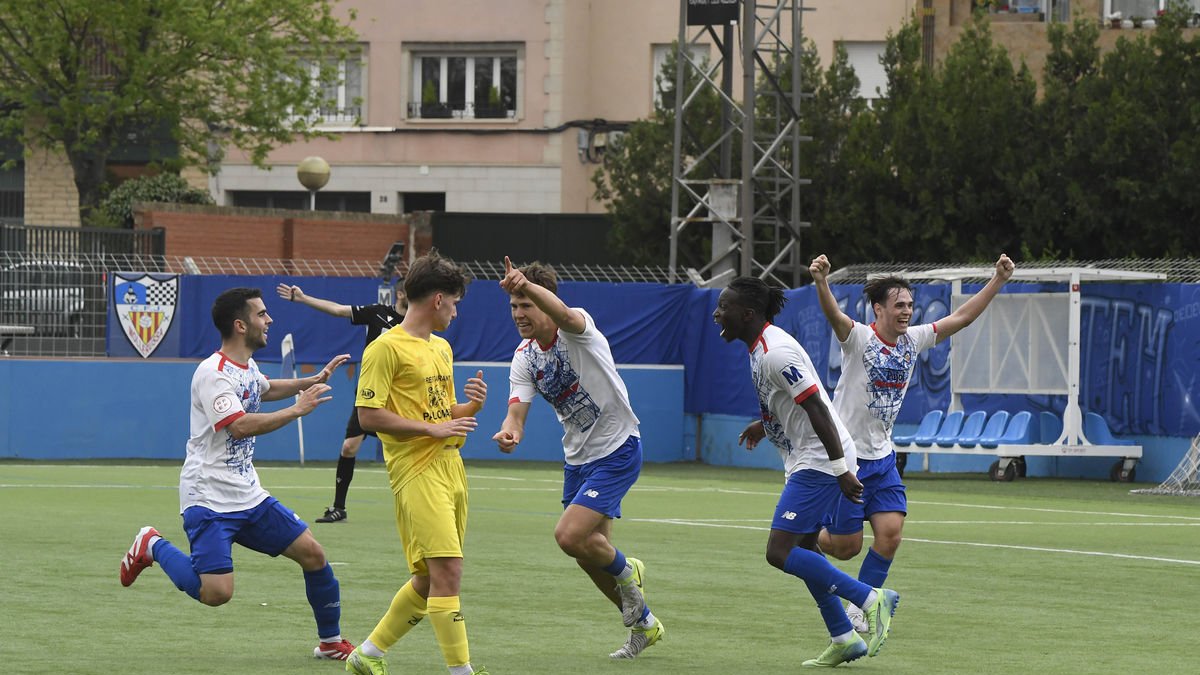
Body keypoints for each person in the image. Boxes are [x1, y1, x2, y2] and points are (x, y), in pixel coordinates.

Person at [119, 287, 356, 660]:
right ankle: (152, 544)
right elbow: (240, 425)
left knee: (313, 553)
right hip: (208, 497)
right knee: (217, 593)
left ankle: (329, 643)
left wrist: (309, 381)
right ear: (240, 325)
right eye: (262, 314)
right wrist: (298, 410)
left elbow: (264, 388)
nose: (270, 320)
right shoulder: (211, 373)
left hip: (248, 493)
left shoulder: (247, 367)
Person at [809, 253, 1015, 632]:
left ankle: (859, 610)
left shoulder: (914, 339)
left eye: (910, 305)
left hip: (884, 458)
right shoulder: (859, 338)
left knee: (890, 535)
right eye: (899, 305)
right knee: (846, 547)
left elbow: (963, 317)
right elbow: (835, 317)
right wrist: (822, 282)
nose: (907, 311)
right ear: (878, 309)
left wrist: (997, 281)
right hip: (848, 458)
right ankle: (808, 536)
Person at [714, 276, 900, 667]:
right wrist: (763, 425)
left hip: (819, 460)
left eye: (724, 307)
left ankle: (870, 598)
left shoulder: (775, 352)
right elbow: (791, 403)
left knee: (778, 552)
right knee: (804, 549)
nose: (717, 314)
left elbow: (816, 407)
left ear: (747, 314)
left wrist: (840, 470)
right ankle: (843, 636)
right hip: (806, 458)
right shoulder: (760, 347)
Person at [491, 257, 665, 660]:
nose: (518, 313)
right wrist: (510, 432)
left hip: (618, 448)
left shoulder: (578, 327)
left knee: (569, 536)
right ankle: (645, 625)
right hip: (578, 459)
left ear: (544, 300)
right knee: (588, 553)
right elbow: (516, 412)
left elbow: (565, 313)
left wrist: (528, 284)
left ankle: (630, 570)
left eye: (526, 304)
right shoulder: (524, 356)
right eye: (514, 306)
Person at [345, 251, 489, 675]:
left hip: (450, 469)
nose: (457, 311)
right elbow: (368, 416)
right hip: (417, 472)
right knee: (448, 573)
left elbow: (438, 413)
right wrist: (432, 431)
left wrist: (469, 407)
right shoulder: (385, 349)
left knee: (429, 580)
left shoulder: (441, 348)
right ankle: (461, 671)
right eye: (456, 303)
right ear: (438, 300)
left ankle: (367, 655)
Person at [275, 281, 407, 523]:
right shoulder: (377, 312)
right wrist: (304, 298)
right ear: (400, 293)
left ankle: (417, 503)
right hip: (370, 396)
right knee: (349, 448)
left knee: (405, 447)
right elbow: (338, 310)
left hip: (401, 398)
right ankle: (339, 508)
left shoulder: (416, 326)